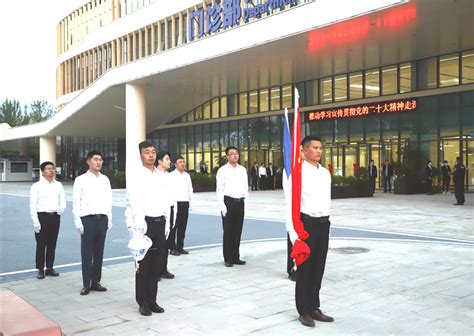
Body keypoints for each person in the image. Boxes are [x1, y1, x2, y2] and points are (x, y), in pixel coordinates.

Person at [284, 135, 334, 328]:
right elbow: (290, 205)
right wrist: (293, 234)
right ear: (304, 151)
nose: (319, 151)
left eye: (321, 147)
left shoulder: (325, 173)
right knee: (305, 269)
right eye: (314, 148)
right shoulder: (297, 173)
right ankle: (303, 310)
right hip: (307, 225)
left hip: (323, 223)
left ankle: (314, 306)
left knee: (318, 267)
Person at [125, 142, 172, 316]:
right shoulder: (136, 175)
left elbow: (166, 200)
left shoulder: (161, 176)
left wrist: (167, 222)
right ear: (141, 155)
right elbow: (133, 202)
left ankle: (153, 300)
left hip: (160, 223)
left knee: (157, 264)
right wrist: (136, 226)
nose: (151, 155)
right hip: (144, 224)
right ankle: (142, 301)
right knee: (143, 265)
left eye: (153, 152)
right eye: (147, 152)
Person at [73, 151, 112, 295]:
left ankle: (96, 281)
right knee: (87, 253)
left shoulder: (105, 180)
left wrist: (109, 218)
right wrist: (77, 221)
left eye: (101, 160)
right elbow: (76, 202)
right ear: (88, 162)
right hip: (87, 220)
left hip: (102, 219)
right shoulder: (81, 180)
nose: (99, 162)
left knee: (99, 252)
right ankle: (86, 283)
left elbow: (109, 200)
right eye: (95, 159)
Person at [30, 161, 66, 280]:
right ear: (42, 171)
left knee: (52, 243)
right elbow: (33, 205)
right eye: (48, 168)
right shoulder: (37, 186)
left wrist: (61, 208)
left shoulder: (58, 185)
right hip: (42, 217)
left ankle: (49, 267)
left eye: (53, 168)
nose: (51, 170)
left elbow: (63, 200)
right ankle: (40, 269)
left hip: (55, 217)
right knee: (41, 244)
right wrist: (35, 221)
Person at [216, 146, 249, 267]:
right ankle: (228, 258)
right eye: (231, 154)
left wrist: (245, 199)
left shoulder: (242, 170)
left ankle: (236, 256)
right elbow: (219, 189)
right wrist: (222, 206)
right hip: (228, 202)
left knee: (237, 230)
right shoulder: (223, 170)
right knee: (228, 231)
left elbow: (245, 186)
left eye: (236, 153)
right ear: (227, 156)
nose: (234, 155)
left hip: (240, 202)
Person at [156, 151, 176, 281]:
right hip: (159, 212)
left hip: (171, 209)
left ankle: (163, 269)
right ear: (159, 161)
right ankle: (155, 271)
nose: (169, 161)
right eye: (167, 159)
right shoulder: (154, 176)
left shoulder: (169, 176)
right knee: (158, 243)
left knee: (166, 243)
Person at [168, 156, 193, 256]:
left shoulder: (187, 176)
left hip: (185, 203)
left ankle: (180, 246)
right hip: (175, 203)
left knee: (183, 226)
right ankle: (172, 247)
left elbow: (190, 190)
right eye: (180, 162)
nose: (183, 163)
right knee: (174, 226)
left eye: (183, 162)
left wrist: (190, 203)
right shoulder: (171, 176)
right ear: (175, 164)